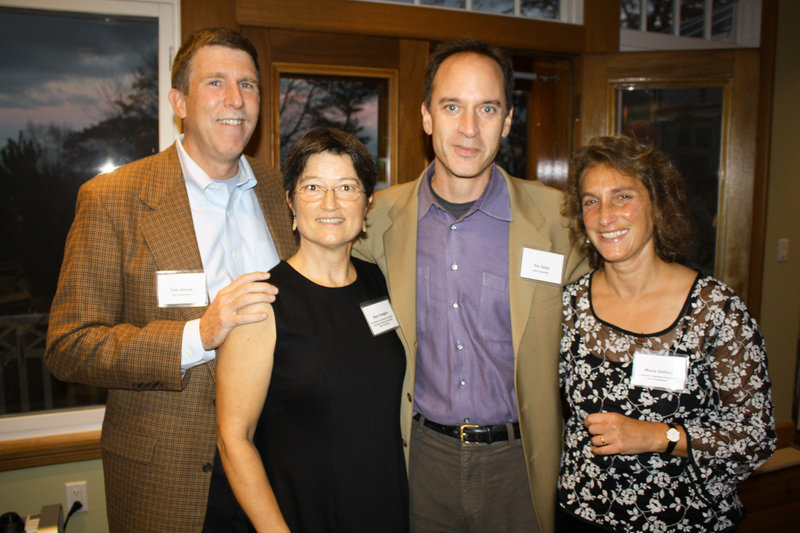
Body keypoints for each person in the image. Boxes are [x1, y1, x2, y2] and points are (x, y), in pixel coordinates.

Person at [45, 28, 296, 532]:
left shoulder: (281, 190)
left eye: (248, 85)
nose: (235, 100)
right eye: (216, 83)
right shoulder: (112, 199)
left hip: (279, 467)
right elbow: (67, 347)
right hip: (170, 481)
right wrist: (197, 335)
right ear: (178, 100)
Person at [353, 38, 588, 533]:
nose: (468, 127)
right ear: (426, 116)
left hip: (521, 464)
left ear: (506, 121)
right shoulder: (374, 222)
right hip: (420, 459)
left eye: (487, 108)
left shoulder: (559, 222)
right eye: (452, 106)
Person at [557, 135, 776, 532]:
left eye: (622, 196)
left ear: (657, 205)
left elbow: (755, 436)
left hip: (684, 520)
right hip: (581, 515)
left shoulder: (715, 311)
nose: (605, 216)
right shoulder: (568, 307)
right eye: (591, 201)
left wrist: (662, 436)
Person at [215, 127, 408, 532]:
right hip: (301, 515)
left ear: (368, 202)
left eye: (347, 187)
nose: (330, 203)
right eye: (313, 187)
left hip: (384, 508)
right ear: (290, 201)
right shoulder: (261, 302)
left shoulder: (382, 284)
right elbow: (234, 439)